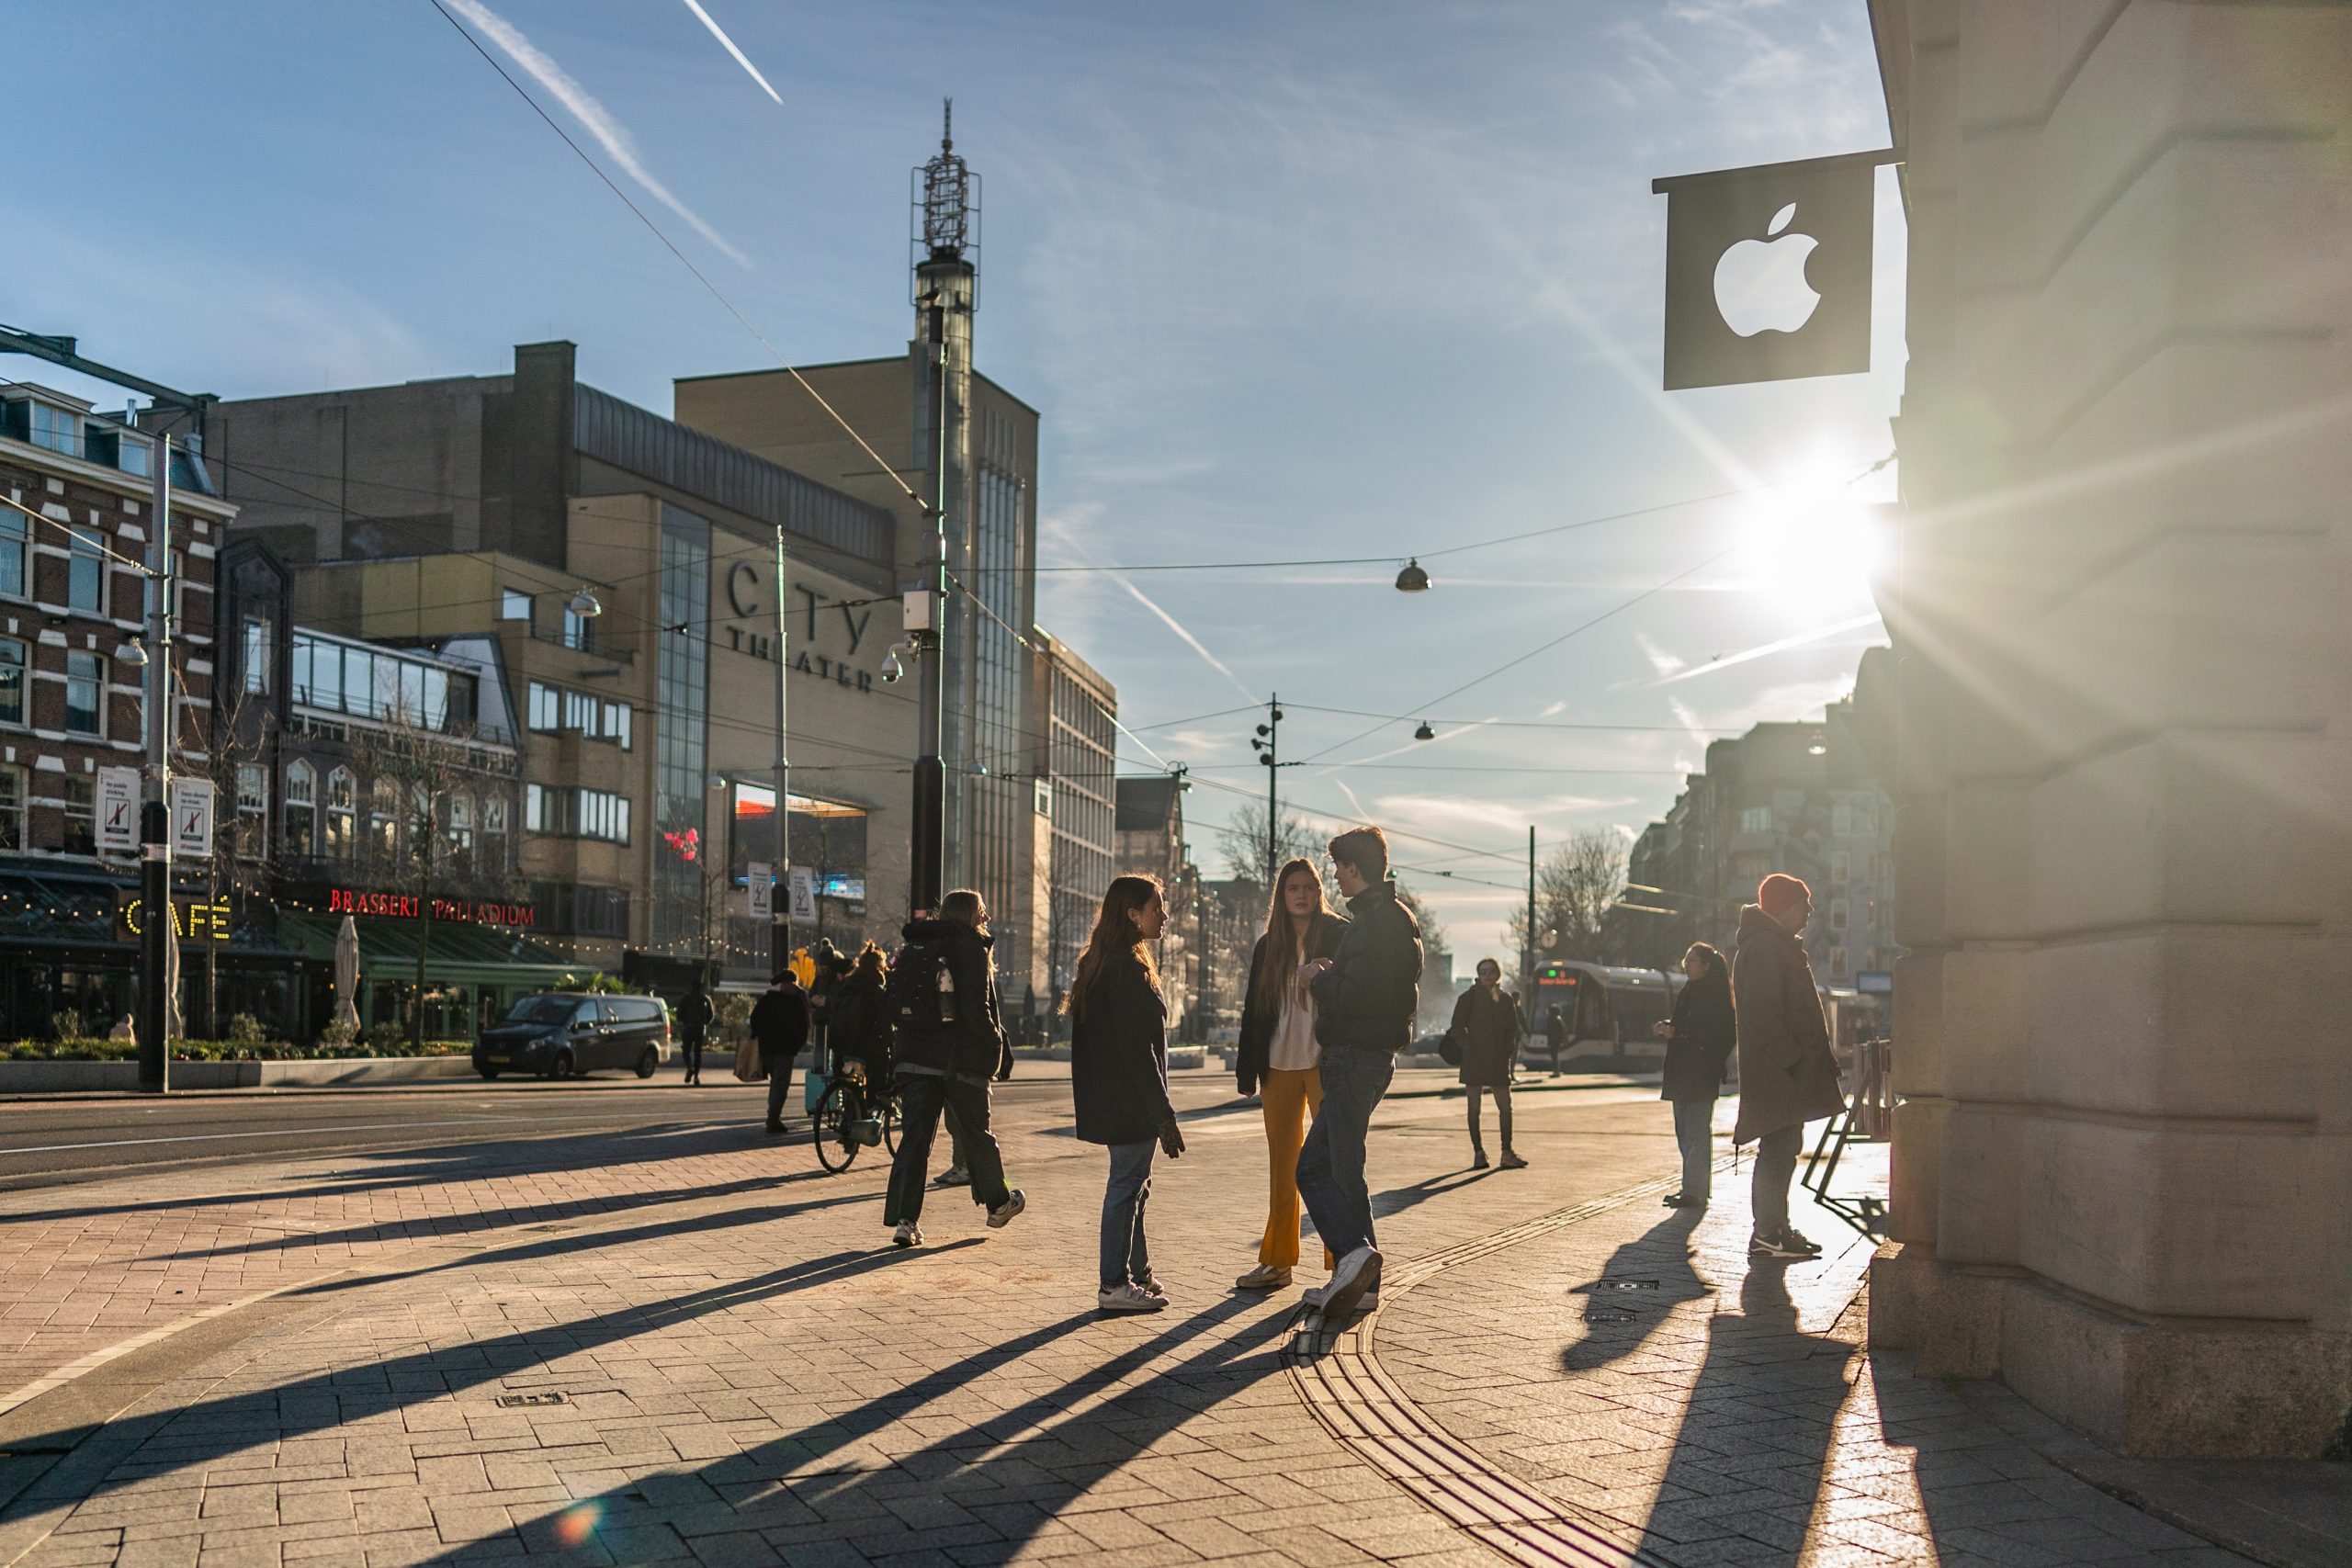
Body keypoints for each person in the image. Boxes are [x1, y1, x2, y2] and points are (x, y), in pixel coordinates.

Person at [1296, 826, 1422, 1321]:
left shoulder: (1377, 923)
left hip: (1354, 1055)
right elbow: (1374, 986)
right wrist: (1337, 973)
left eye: (1337, 866)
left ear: (1355, 868)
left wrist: (1319, 980)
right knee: (1339, 1165)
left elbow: (1362, 997)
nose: (1333, 875)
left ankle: (1354, 1256)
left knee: (1320, 1167)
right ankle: (1359, 1281)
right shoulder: (1388, 919)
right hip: (1366, 1055)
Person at [1068, 875, 1186, 1314]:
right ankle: (1114, 1284)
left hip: (1114, 1097)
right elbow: (1142, 1053)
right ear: (1133, 914)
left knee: (1136, 1186)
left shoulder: (1103, 963)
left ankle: (1138, 1273)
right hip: (1130, 1100)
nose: (1164, 915)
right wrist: (1163, 1115)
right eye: (1157, 907)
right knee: (1125, 1187)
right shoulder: (1127, 971)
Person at [882, 890, 1024, 1247]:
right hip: (960, 1062)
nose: (986, 919)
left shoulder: (916, 948)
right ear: (968, 916)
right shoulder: (971, 949)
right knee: (978, 1134)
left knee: (914, 1140)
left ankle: (905, 1220)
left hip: (915, 1059)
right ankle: (999, 1204)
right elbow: (978, 1010)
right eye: (982, 912)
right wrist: (994, 1047)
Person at [1232, 857, 1347, 1292]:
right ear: (1282, 896)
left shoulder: (1340, 934)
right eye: (1293, 888)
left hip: (1325, 1062)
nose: (1301, 895)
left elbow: (1355, 990)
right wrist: (1247, 1068)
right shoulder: (1268, 944)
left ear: (1320, 893)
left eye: (1309, 887)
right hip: (1277, 1064)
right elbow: (1253, 1008)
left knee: (1334, 1162)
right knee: (1283, 1166)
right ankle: (1278, 1261)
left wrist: (1328, 971)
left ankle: (1344, 1261)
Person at [1732, 875, 1847, 1258]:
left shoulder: (1772, 944)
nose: (1810, 912)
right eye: (1804, 904)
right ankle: (1768, 1232)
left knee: (1782, 1148)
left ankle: (1775, 1229)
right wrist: (1794, 1062)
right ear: (1783, 906)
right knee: (1777, 1150)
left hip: (1780, 1072)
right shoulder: (1766, 946)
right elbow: (1765, 1016)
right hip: (1778, 1074)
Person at [1655, 942, 1734, 1209]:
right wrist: (1670, 1027)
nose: (1687, 965)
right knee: (1684, 1132)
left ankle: (1696, 1192)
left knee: (1697, 1133)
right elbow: (1686, 1026)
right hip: (1682, 1072)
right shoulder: (1689, 990)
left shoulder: (1714, 995)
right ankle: (1692, 1187)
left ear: (1706, 966)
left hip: (1700, 1074)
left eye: (1692, 961)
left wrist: (1679, 1034)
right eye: (1685, 961)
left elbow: (1719, 1035)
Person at [1448, 958, 1527, 1170]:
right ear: (1479, 975)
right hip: (1474, 1061)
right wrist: (1469, 1048)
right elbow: (1456, 1028)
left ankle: (1506, 1152)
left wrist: (1506, 1051)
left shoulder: (1505, 999)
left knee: (1505, 1108)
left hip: (1497, 1061)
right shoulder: (1468, 998)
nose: (1487, 976)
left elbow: (1513, 1029)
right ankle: (1479, 1153)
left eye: (1491, 972)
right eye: (1483, 972)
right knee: (1474, 1110)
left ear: (1498, 974)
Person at [828, 942, 893, 1139]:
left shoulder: (847, 986)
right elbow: (884, 1023)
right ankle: (872, 1108)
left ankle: (850, 1116)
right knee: (883, 1071)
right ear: (878, 966)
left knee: (850, 1083)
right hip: (867, 1048)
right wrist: (891, 1041)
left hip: (841, 1045)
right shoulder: (875, 989)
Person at [751, 969, 810, 1135]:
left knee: (775, 1082)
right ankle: (773, 1118)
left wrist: (760, 1036)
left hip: (766, 1047)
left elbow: (755, 1020)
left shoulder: (767, 999)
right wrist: (797, 1045)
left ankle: (773, 1115)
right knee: (780, 1084)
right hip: (785, 1049)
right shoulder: (796, 1000)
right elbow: (804, 1025)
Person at [676, 978, 716, 1086]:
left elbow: (679, 1015)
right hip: (699, 1029)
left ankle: (690, 1067)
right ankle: (696, 1077)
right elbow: (711, 1015)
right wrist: (704, 1023)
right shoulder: (705, 999)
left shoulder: (685, 999)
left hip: (688, 1028)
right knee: (698, 1053)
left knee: (685, 1050)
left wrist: (685, 1021)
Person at [1543, 1004, 1568, 1075]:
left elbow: (1553, 1030)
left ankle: (1556, 1071)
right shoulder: (1557, 1018)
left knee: (1554, 1055)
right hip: (1555, 1040)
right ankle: (1556, 1071)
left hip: (1555, 1040)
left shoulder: (1554, 1019)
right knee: (1554, 1055)